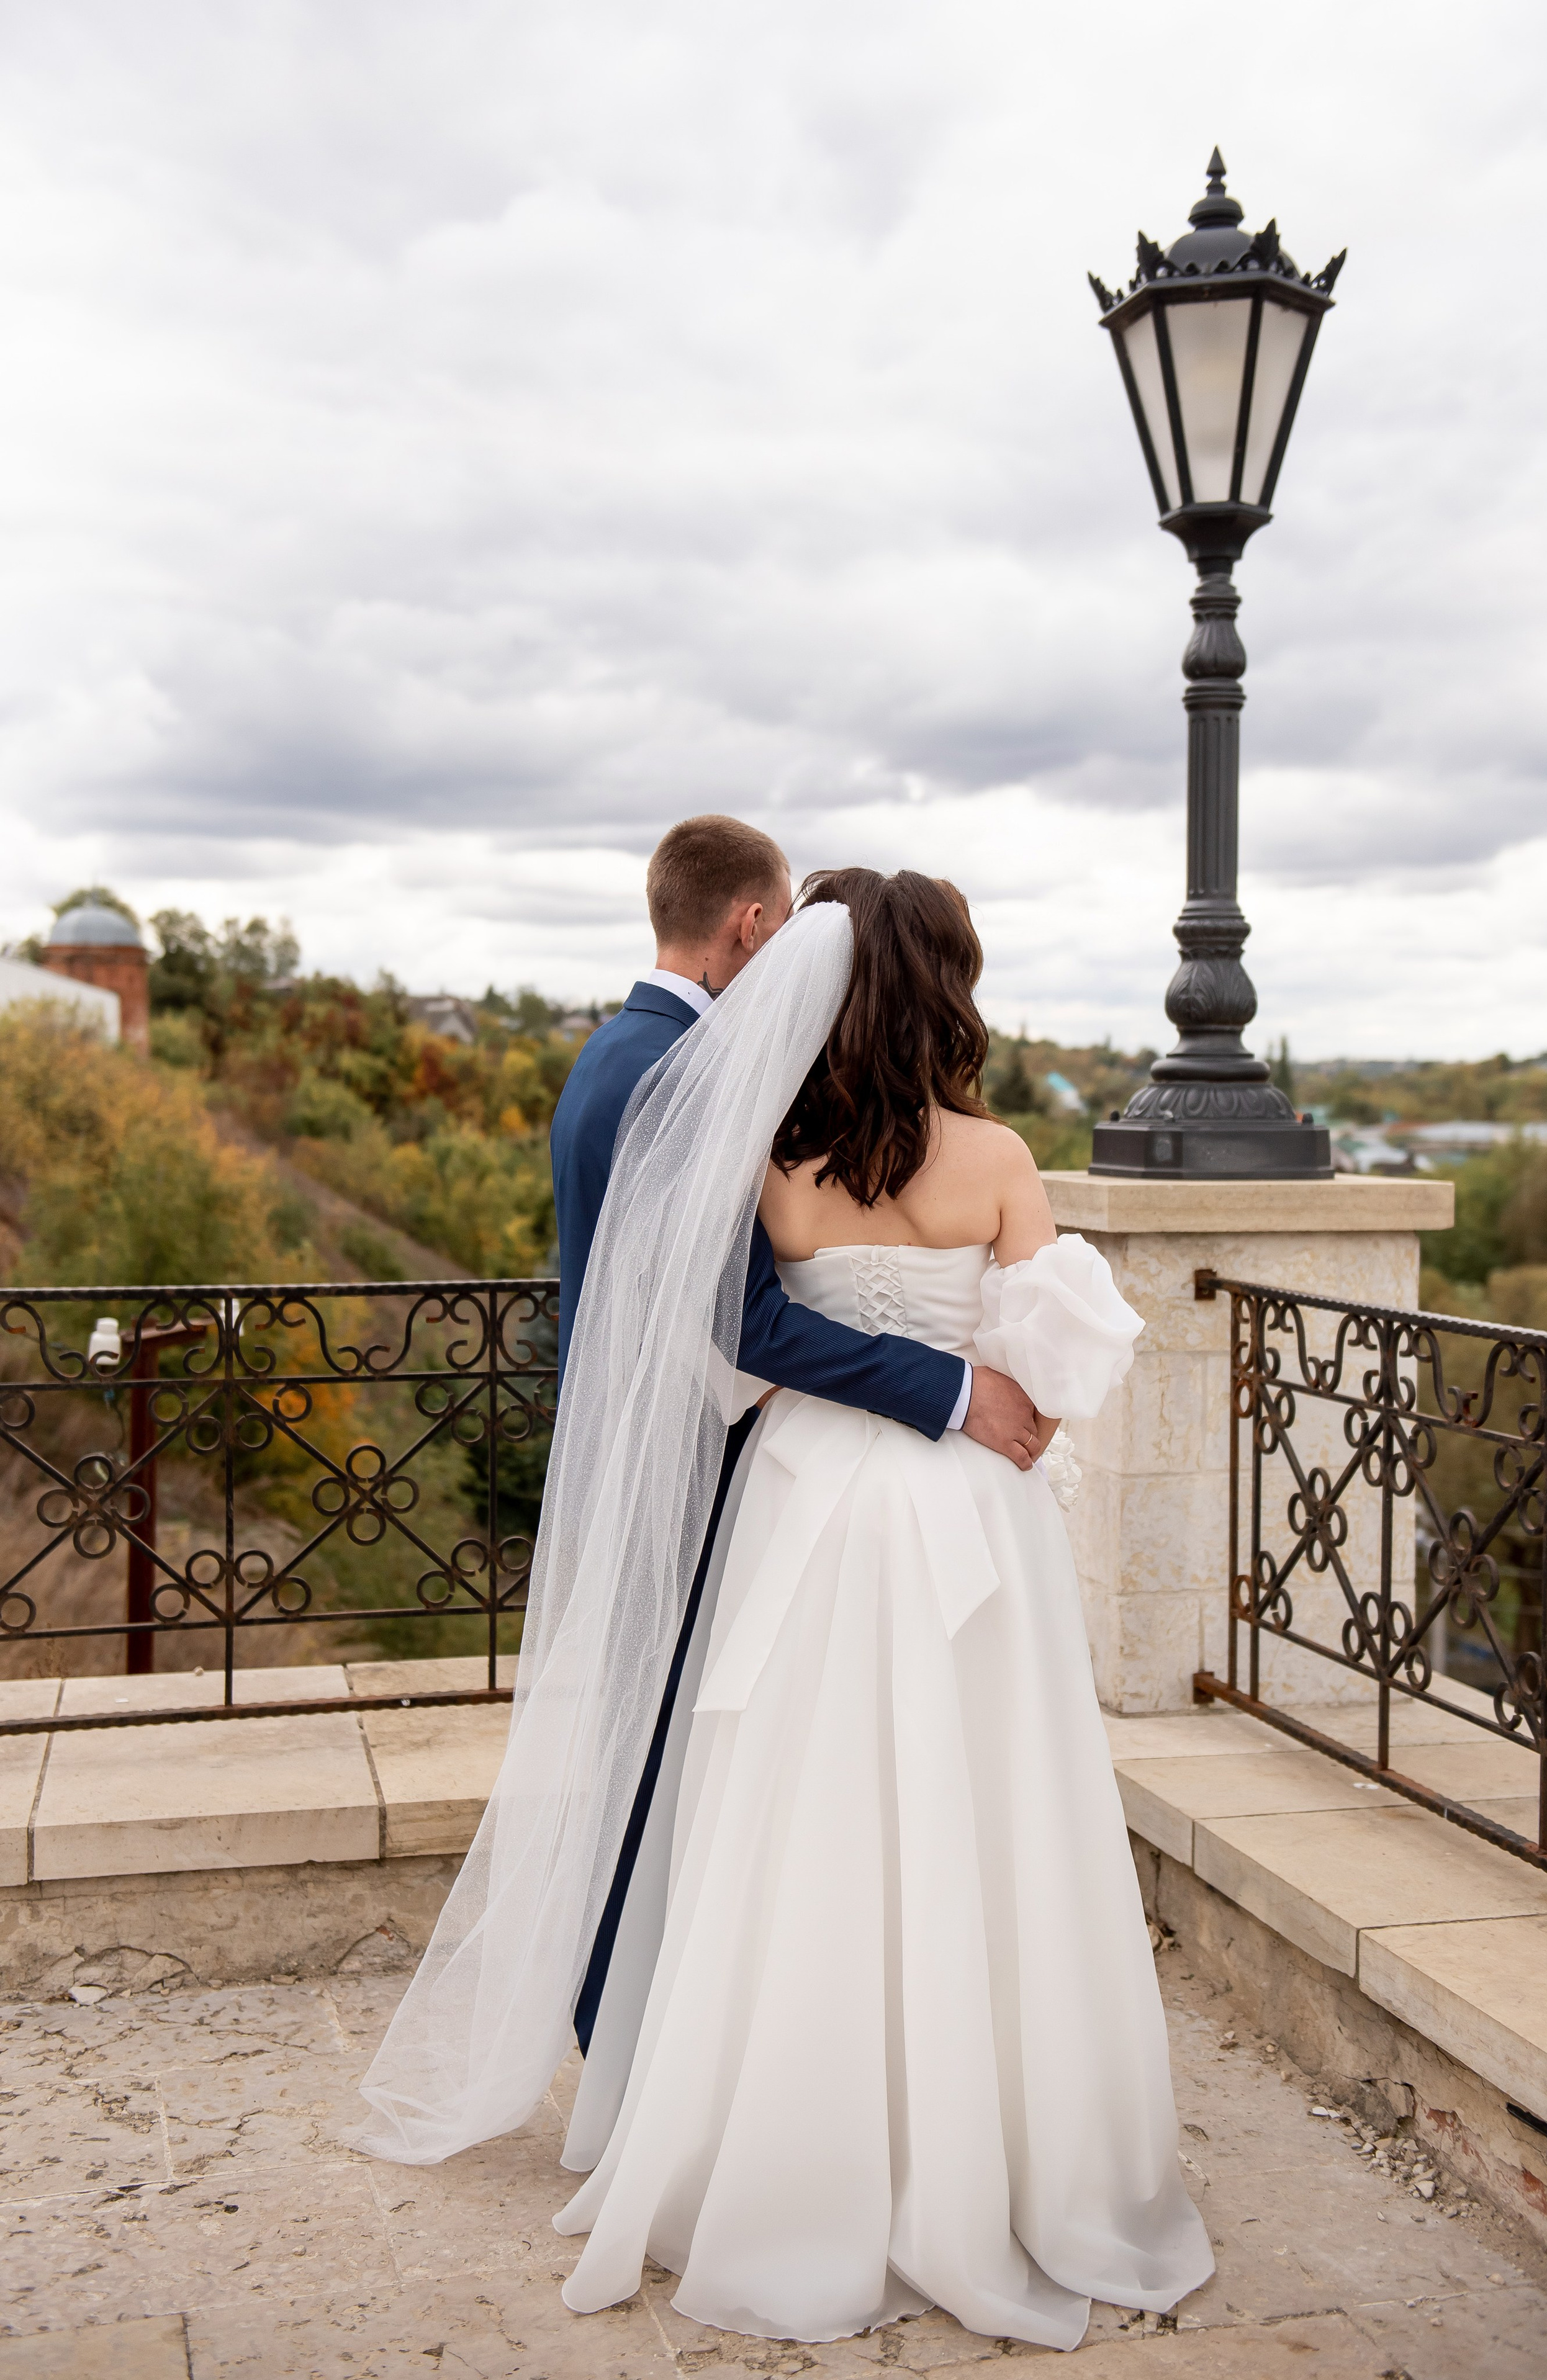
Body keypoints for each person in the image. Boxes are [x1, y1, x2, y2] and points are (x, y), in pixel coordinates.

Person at [354, 871, 1210, 2354]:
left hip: (804, 1504)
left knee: (794, 1818)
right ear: (947, 989)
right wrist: (987, 1395)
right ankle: (994, 2157)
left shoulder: (766, 1156)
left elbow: (730, 1333)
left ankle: (777, 2154)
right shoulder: (1000, 1158)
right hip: (965, 1516)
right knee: (983, 1811)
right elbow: (1050, 1376)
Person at [549, 816, 1042, 2055]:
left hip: (776, 1470)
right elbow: (741, 1317)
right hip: (705, 1466)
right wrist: (956, 1387)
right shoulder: (673, 1075)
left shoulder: (667, 1075)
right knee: (692, 1765)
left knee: (754, 1775)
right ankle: (635, 2031)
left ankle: (695, 2041)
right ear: (751, 924)